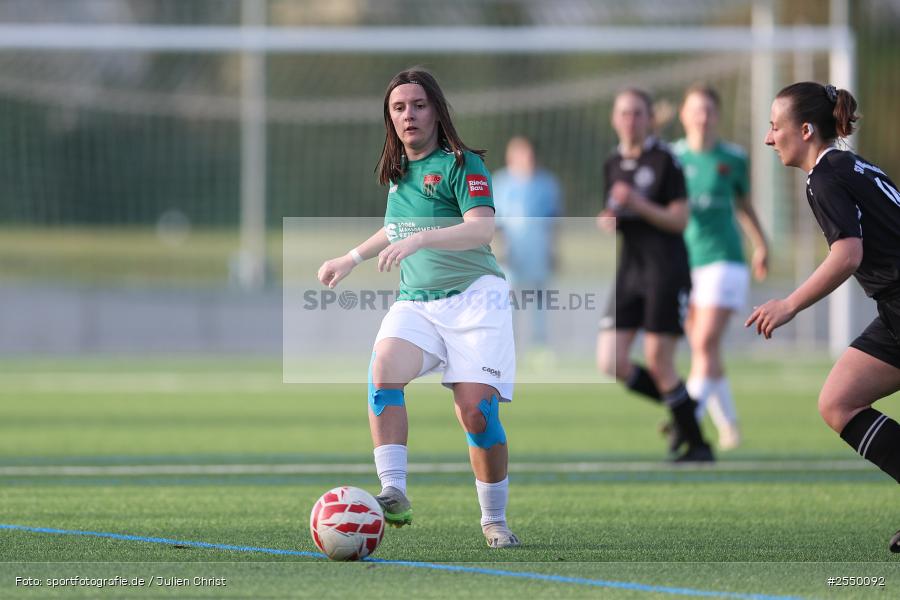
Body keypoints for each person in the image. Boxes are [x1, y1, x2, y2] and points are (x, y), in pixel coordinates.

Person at [316, 68, 519, 549]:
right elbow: (396, 227)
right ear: (390, 117)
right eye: (399, 107)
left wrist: (425, 238)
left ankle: (494, 520)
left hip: (476, 300)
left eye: (419, 105)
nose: (410, 114)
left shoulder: (462, 163)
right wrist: (352, 257)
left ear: (436, 110)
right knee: (383, 368)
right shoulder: (398, 171)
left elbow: (481, 230)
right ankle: (395, 491)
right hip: (418, 304)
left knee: (475, 412)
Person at [748, 81, 900, 552]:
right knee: (838, 402)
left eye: (776, 127)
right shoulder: (855, 163)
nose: (770, 139)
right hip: (895, 309)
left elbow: (848, 254)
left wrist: (788, 304)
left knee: (839, 402)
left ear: (806, 129)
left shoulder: (824, 176)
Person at [596, 88, 714, 462]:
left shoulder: (665, 161)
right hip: (630, 270)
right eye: (624, 113)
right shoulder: (611, 163)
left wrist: (638, 203)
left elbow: (679, 220)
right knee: (610, 360)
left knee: (659, 360)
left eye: (637, 113)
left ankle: (699, 446)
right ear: (615, 119)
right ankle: (684, 409)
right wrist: (609, 219)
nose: (630, 120)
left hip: (666, 271)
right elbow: (618, 214)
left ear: (649, 118)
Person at [673, 84, 770, 451]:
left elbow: (744, 206)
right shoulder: (671, 157)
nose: (702, 116)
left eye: (709, 110)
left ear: (717, 115)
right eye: (695, 109)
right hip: (685, 265)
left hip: (725, 261)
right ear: (683, 114)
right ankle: (729, 426)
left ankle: (686, 423)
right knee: (706, 352)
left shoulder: (733, 158)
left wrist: (761, 244)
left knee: (703, 342)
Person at [492, 136, 563, 350]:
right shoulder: (500, 182)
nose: (527, 158)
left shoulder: (547, 183)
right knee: (509, 296)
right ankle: (509, 345)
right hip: (511, 248)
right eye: (520, 153)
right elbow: (494, 221)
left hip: (538, 247)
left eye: (529, 153)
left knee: (539, 295)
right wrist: (500, 248)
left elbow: (553, 220)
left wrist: (553, 250)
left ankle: (539, 345)